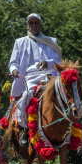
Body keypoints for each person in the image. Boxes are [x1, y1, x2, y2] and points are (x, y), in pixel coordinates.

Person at [9, 13, 63, 147]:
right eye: (31, 23)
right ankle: (23, 129)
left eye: (36, 23)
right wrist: (14, 70)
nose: (33, 25)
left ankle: (68, 128)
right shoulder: (20, 42)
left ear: (40, 25)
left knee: (66, 94)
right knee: (25, 97)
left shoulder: (51, 41)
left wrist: (47, 63)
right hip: (30, 77)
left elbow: (58, 61)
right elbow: (13, 62)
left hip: (49, 75)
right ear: (27, 26)